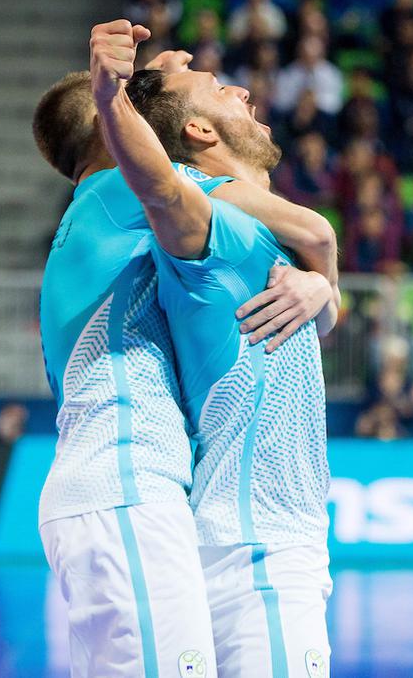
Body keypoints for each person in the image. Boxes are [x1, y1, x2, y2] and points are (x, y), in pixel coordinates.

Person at [34, 44, 336, 677]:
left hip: (146, 496)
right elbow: (173, 182)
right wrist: (126, 91)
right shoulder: (126, 188)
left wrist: (319, 287)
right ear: (116, 134)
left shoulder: (111, 225)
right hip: (132, 489)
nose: (239, 91)